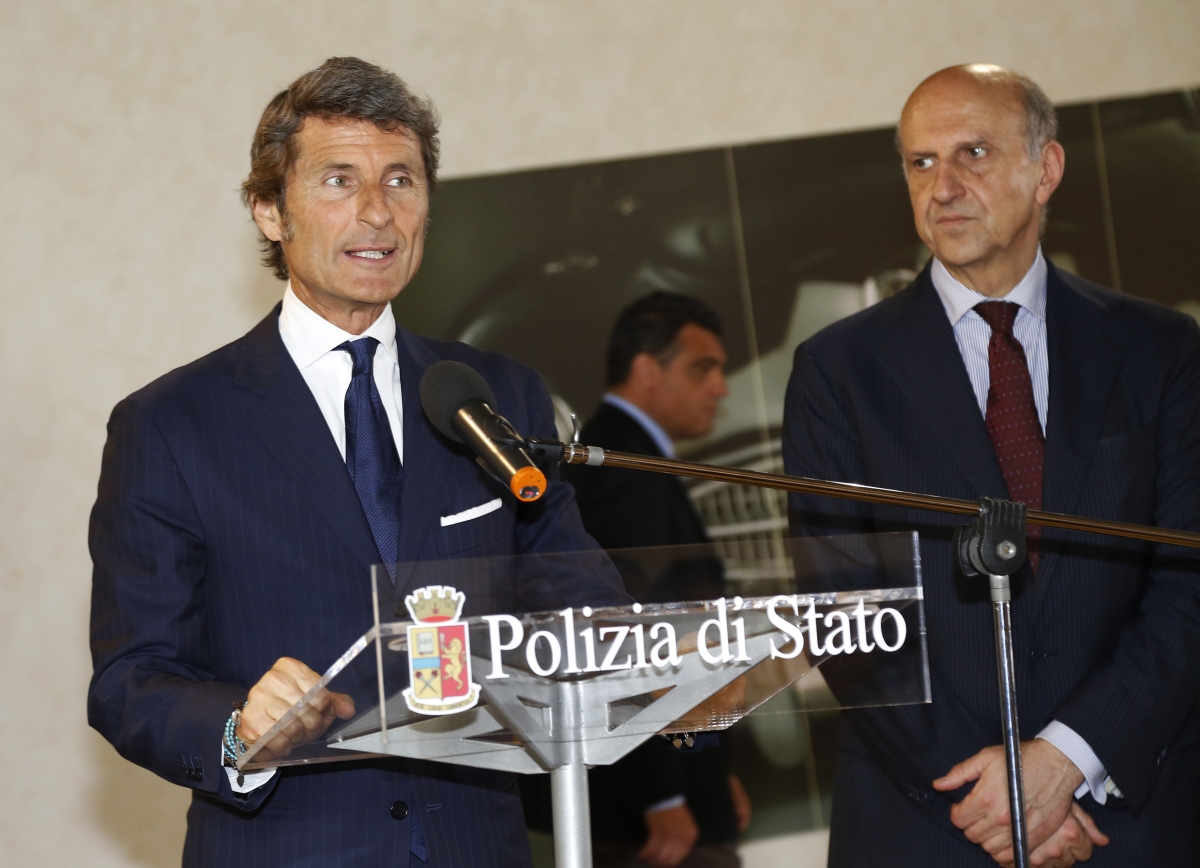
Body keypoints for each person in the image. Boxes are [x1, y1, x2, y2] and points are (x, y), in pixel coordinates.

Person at [87, 57, 627, 868]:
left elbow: (581, 604)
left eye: (401, 180)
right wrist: (237, 728)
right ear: (270, 210)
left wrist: (693, 662)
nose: (378, 212)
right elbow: (131, 678)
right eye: (339, 181)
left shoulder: (492, 394)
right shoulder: (170, 425)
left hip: (476, 845)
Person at [783, 64, 1200, 867]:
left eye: (972, 153)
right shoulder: (838, 370)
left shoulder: (1161, 350)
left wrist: (1066, 759)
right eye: (921, 162)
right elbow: (842, 610)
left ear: (1046, 169)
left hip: (1127, 812)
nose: (943, 187)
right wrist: (1004, 799)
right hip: (932, 817)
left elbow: (1187, 581)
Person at [561, 292, 750, 868]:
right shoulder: (624, 470)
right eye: (702, 369)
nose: (721, 388)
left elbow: (681, 646)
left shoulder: (627, 459)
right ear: (646, 370)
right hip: (655, 823)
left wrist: (712, 770)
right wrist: (662, 795)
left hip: (673, 794)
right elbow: (623, 640)